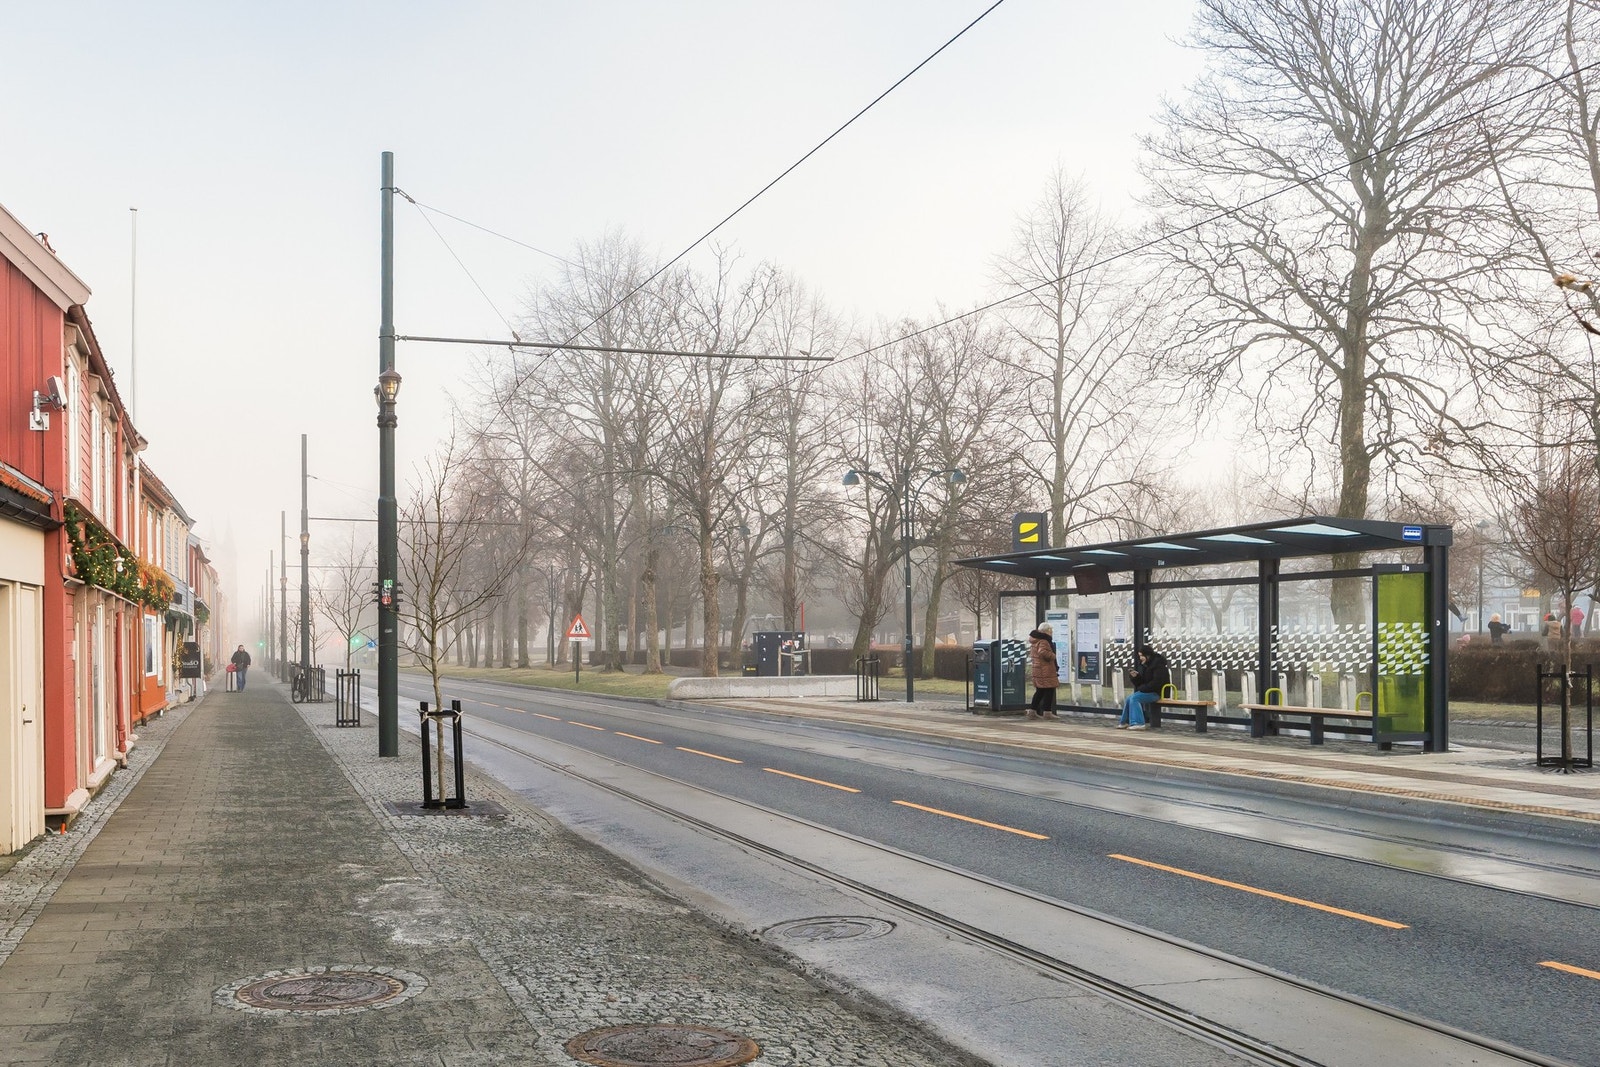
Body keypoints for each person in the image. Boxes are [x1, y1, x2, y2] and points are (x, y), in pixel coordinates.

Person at [1119, 644, 1169, 731]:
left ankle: (1138, 723)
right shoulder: (1147, 665)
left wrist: (1143, 688)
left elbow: (1156, 683)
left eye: (1142, 655)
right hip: (1150, 691)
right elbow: (1144, 682)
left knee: (1135, 698)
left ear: (1148, 655)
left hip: (1157, 692)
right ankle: (1125, 722)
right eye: (1140, 656)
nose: (1140, 658)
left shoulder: (1158, 666)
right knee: (1129, 698)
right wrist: (1136, 677)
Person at [1026, 624, 1059, 720]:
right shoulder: (1044, 641)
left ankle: (1032, 711)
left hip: (1038, 668)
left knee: (1040, 691)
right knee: (1049, 690)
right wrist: (1053, 656)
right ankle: (1047, 713)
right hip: (1045, 669)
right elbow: (1042, 652)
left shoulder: (1035, 640)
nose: (1051, 632)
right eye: (1050, 630)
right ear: (1046, 631)